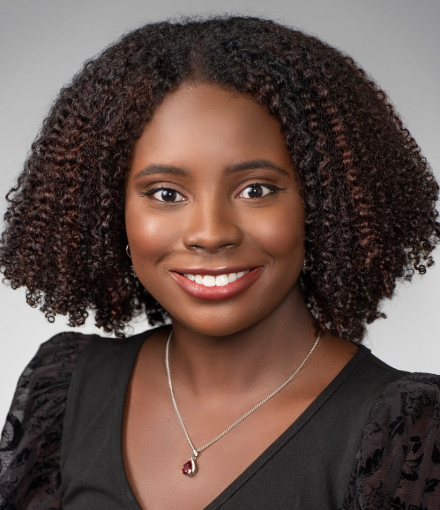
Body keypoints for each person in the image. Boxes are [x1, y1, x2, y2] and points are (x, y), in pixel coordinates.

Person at [0, 15, 439, 510]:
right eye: (165, 193)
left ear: (327, 202)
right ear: (106, 209)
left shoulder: (405, 432)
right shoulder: (64, 391)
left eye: (256, 190)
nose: (211, 233)